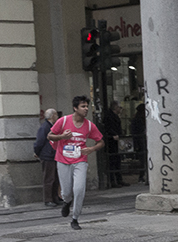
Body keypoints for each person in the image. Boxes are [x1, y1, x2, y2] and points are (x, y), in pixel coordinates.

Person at [47, 95, 104, 230]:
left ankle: (75, 218)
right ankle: (67, 202)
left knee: (79, 190)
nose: (86, 109)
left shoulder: (89, 125)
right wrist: (62, 136)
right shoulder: (63, 121)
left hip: (80, 161)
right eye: (83, 106)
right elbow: (49, 136)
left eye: (87, 106)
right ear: (75, 108)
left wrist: (91, 149)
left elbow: (101, 141)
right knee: (66, 191)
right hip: (63, 160)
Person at [34, 108, 61, 206]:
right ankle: (48, 199)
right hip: (48, 155)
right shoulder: (45, 127)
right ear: (52, 116)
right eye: (56, 115)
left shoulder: (51, 126)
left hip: (53, 155)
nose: (57, 117)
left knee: (55, 178)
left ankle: (55, 197)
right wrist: (37, 152)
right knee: (49, 178)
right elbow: (39, 142)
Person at [103, 100, 125, 187]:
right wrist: (114, 134)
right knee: (112, 161)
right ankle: (113, 181)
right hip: (112, 141)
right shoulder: (109, 116)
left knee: (117, 160)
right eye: (120, 107)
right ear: (116, 107)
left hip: (115, 140)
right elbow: (108, 127)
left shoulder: (113, 116)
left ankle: (119, 179)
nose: (120, 109)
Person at [131, 103, 147, 184]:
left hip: (141, 141)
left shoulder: (138, 119)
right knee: (142, 159)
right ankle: (142, 176)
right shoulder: (138, 119)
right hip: (140, 141)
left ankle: (143, 175)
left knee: (143, 159)